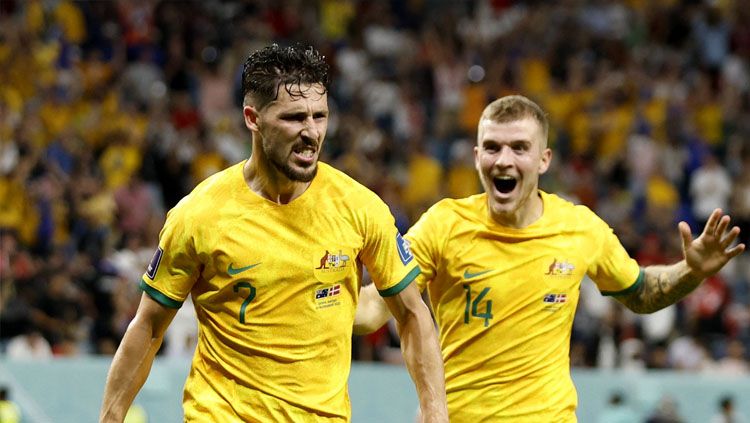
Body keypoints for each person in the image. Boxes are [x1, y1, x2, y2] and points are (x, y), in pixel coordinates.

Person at [99, 44, 447, 422]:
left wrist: (435, 413)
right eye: (295, 117)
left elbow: (413, 315)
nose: (311, 132)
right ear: (253, 118)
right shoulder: (198, 215)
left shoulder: (360, 208)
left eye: (320, 116)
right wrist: (110, 417)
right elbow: (149, 326)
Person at [354, 95, 745, 421]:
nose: (503, 160)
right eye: (492, 147)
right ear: (477, 158)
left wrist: (691, 271)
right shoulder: (444, 224)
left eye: (519, 147)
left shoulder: (580, 228)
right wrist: (309, 296)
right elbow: (376, 304)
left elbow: (640, 292)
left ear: (544, 160)